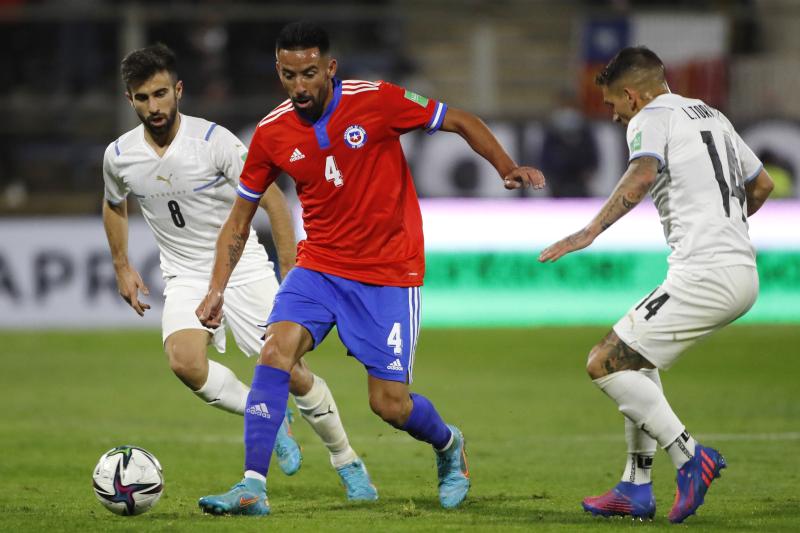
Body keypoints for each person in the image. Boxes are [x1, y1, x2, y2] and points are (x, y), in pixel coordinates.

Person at [195, 21, 545, 516]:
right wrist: (216, 289)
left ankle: (448, 446)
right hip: (320, 267)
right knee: (275, 354)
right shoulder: (272, 133)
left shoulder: (376, 100)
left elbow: (461, 120)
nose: (299, 86)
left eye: (310, 74)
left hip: (388, 272)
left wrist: (505, 166)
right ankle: (252, 486)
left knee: (389, 405)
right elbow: (239, 219)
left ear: (330, 69)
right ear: (279, 71)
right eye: (289, 75)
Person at [101, 43, 377, 501]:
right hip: (185, 275)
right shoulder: (118, 155)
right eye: (143, 98)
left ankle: (347, 460)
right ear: (129, 99)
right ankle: (263, 413)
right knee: (185, 362)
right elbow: (114, 204)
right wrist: (122, 265)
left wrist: (293, 269)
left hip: (244, 268)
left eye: (161, 94)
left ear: (179, 91)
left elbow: (274, 202)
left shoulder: (215, 143)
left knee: (293, 372)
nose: (154, 106)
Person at [539, 46, 774, 523]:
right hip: (739, 272)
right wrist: (722, 225)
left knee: (604, 362)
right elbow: (763, 185)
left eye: (611, 105)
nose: (611, 116)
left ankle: (690, 456)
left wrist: (588, 232)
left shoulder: (648, 117)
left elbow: (641, 175)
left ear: (631, 94)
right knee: (634, 358)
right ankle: (635, 485)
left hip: (705, 273)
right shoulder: (713, 115)